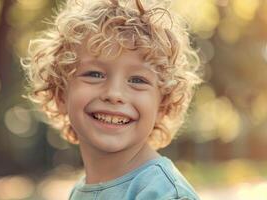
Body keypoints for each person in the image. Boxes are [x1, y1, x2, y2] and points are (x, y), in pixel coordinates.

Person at [22, 0, 203, 199]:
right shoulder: (80, 191)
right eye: (94, 74)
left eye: (137, 80)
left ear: (163, 105)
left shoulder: (164, 194)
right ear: (60, 95)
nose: (114, 94)